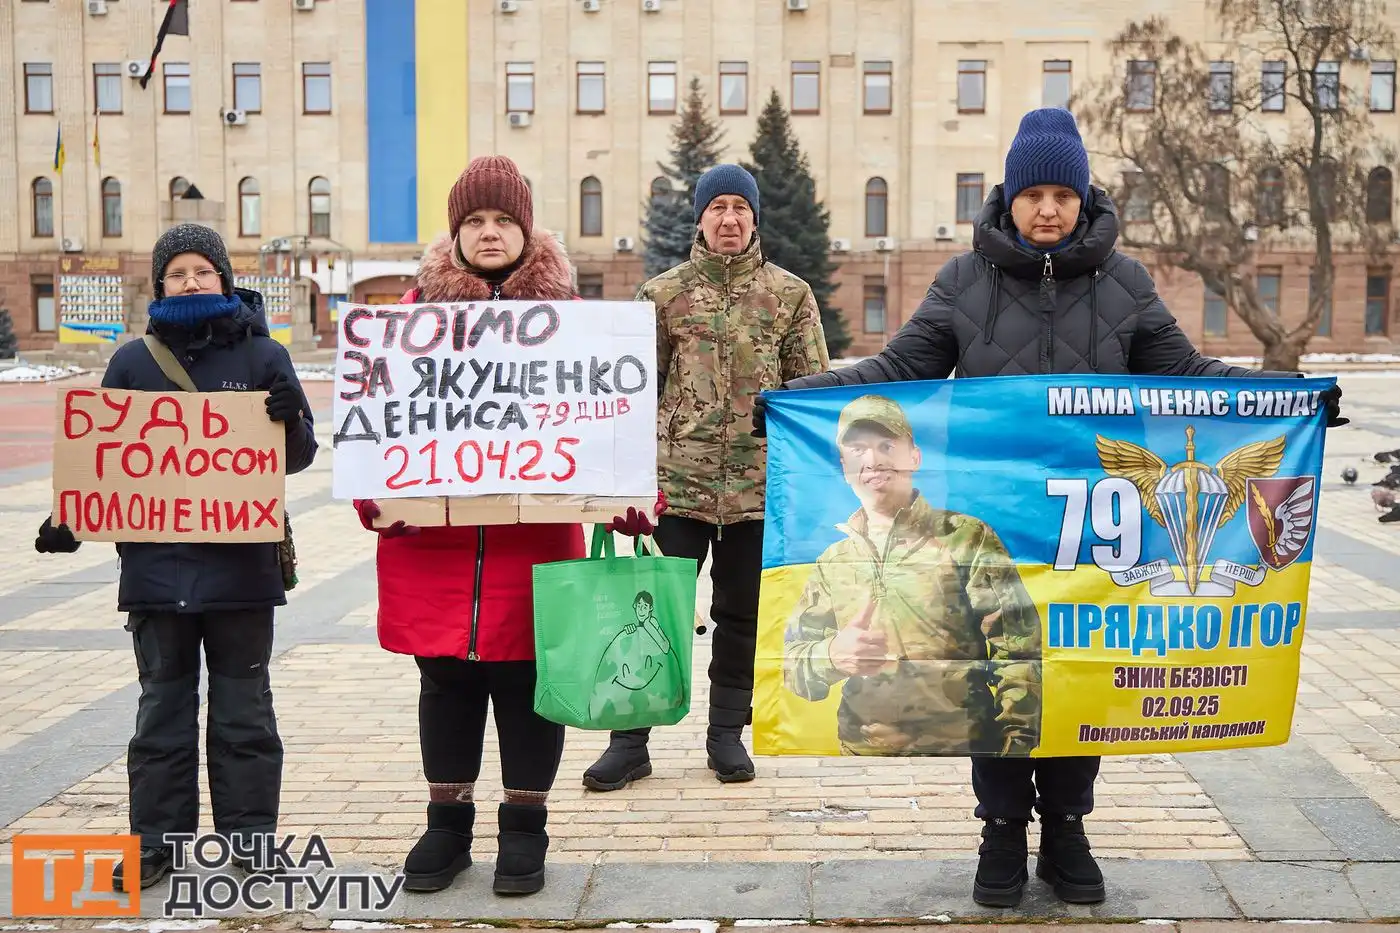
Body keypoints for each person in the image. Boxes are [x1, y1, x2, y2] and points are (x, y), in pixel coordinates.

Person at [756, 108, 1348, 909]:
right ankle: (1000, 829)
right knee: (991, 667)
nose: (1047, 210)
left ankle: (1068, 826)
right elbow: (898, 367)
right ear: (1009, 198)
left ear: (1082, 198)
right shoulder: (964, 282)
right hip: (997, 521)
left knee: (1074, 672)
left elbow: (1190, 371)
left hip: (1094, 524)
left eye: (1061, 195)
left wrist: (1294, 400)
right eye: (1032, 193)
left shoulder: (1125, 283)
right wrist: (794, 400)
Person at [33, 222, 318, 888]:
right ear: (161, 285)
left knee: (244, 711)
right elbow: (101, 461)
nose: (191, 282)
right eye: (178, 272)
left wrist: (288, 418)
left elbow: (299, 455)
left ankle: (250, 839)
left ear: (224, 276)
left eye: (203, 270)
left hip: (243, 572)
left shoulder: (262, 357)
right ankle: (155, 844)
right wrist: (68, 518)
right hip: (157, 576)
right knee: (160, 715)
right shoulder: (133, 363)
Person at [351, 155, 580, 898]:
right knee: (444, 681)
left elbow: (610, 422)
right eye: (473, 221)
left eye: (502, 220)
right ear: (454, 235)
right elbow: (376, 430)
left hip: (533, 544)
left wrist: (629, 496)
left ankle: (525, 829)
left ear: (526, 230)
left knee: (527, 683)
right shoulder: (409, 323)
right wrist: (372, 497)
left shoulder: (574, 325)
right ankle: (446, 826)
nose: (488, 233)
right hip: (435, 546)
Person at [583, 163, 831, 790]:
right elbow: (631, 398)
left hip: (758, 489)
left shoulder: (790, 295)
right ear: (700, 218)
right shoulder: (662, 296)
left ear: (754, 218)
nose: (728, 219)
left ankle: (726, 735)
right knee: (652, 613)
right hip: (677, 487)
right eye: (717, 207)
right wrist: (627, 482)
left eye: (739, 208)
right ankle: (630, 740)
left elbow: (814, 394)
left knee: (741, 615)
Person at [782, 394, 1041, 758]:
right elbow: (790, 665)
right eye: (857, 450)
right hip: (863, 754)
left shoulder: (966, 537)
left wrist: (1015, 747)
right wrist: (832, 655)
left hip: (965, 749)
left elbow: (1017, 649)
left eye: (886, 445)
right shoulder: (833, 560)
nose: (872, 460)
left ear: (914, 456)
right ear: (843, 466)